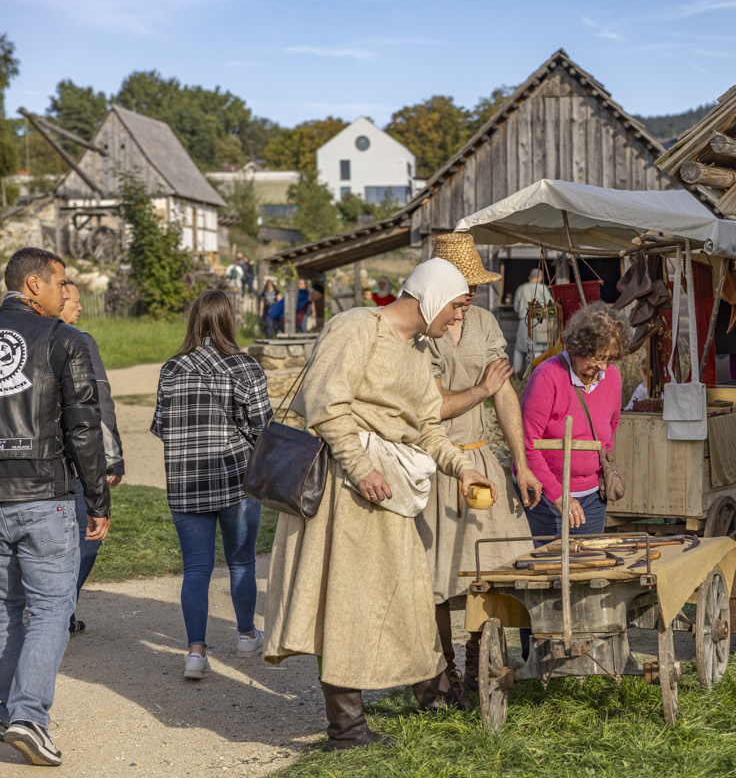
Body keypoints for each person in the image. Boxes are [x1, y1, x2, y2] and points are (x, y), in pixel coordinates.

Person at [263, 257, 496, 749]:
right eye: (454, 307)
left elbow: (427, 427)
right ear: (430, 297)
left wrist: (461, 466)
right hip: (346, 493)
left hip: (390, 494)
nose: (458, 318)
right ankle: (346, 729)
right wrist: (360, 465)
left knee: (411, 593)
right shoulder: (355, 328)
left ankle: (434, 694)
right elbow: (326, 401)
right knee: (346, 603)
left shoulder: (417, 351)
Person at [0, 248, 109, 767]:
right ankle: (28, 716)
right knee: (49, 608)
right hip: (46, 493)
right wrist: (98, 497)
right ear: (34, 283)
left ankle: (5, 712)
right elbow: (83, 427)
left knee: (3, 607)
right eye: (60, 282)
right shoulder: (64, 339)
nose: (66, 292)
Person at [417, 234, 538, 692]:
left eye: (473, 289)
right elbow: (433, 406)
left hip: (480, 461)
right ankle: (441, 673)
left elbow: (504, 391)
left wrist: (520, 464)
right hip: (433, 465)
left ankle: (477, 666)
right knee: (434, 576)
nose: (469, 298)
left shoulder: (485, 321)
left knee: (488, 572)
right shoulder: (422, 331)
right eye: (463, 290)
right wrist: (481, 391)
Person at [151, 291, 271, 680]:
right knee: (240, 563)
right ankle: (246, 634)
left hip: (185, 481)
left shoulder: (171, 369)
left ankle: (195, 653)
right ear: (228, 320)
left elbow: (161, 427)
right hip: (235, 479)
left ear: (193, 320)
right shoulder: (244, 367)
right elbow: (263, 427)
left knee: (196, 569)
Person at [521, 302, 627, 537]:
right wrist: (558, 495)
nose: (602, 367)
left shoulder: (611, 378)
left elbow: (609, 432)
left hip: (591, 498)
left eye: (609, 360)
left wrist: (600, 474)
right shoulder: (546, 377)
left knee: (589, 563)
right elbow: (527, 444)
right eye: (597, 358)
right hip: (545, 496)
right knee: (549, 566)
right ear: (579, 347)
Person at [59, 282, 124, 636]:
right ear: (60, 299)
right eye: (76, 301)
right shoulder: (79, 340)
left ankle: (56, 610)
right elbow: (99, 403)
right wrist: (113, 458)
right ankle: (60, 610)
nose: (80, 308)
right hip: (75, 463)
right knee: (87, 538)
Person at [512, 268, 552, 372]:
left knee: (520, 348)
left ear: (530, 277)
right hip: (538, 321)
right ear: (541, 278)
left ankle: (516, 372)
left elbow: (516, 308)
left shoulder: (521, 288)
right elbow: (550, 305)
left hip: (523, 321)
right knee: (537, 348)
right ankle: (534, 373)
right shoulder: (542, 288)